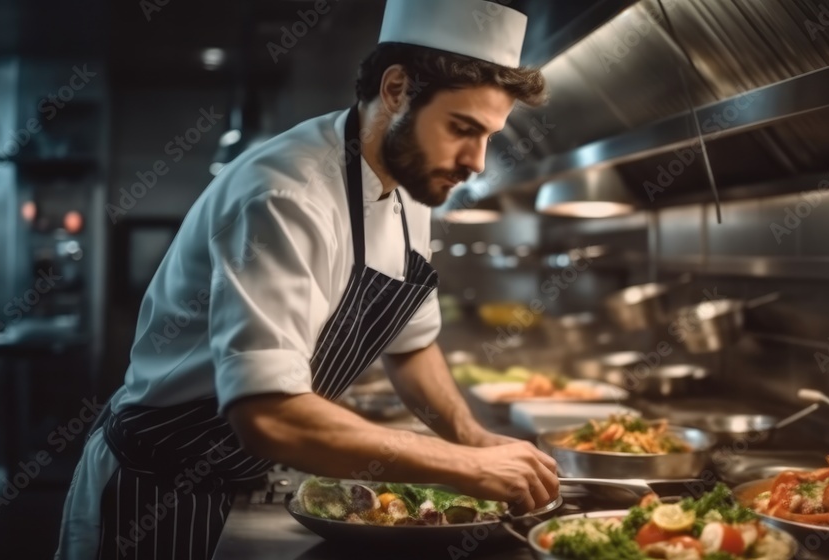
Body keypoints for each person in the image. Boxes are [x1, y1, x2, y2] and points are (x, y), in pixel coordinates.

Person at [55, 1, 557, 558]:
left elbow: (412, 346)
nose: (478, 161)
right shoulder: (287, 196)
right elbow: (268, 415)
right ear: (396, 90)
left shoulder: (408, 180)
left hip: (242, 475)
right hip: (153, 492)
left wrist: (476, 439)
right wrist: (464, 467)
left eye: (489, 135)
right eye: (463, 129)